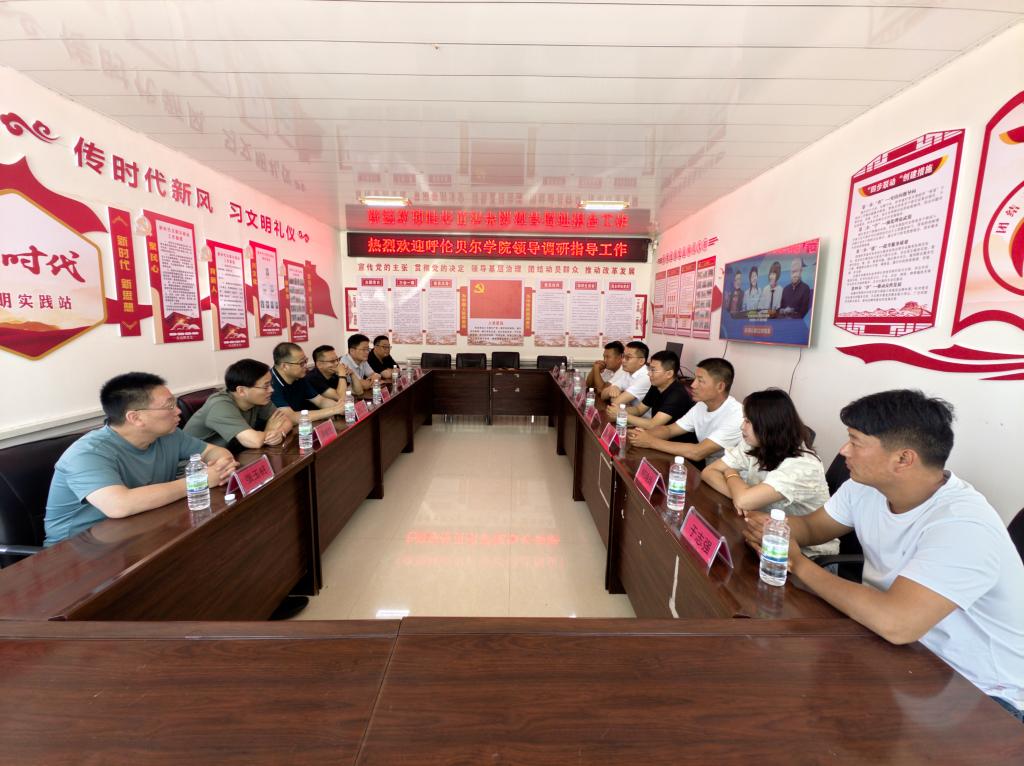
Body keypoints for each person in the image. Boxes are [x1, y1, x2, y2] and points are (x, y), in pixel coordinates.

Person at [742, 390, 1024, 722]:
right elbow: (812, 528)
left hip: (982, 690)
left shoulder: (963, 525)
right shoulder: (864, 487)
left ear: (903, 459)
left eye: (855, 442)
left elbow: (897, 624)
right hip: (900, 654)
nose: (843, 450)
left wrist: (798, 563)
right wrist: (774, 529)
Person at [43, 372, 238, 546]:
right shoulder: (87, 454)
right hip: (76, 551)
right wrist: (199, 481)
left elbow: (213, 451)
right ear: (135, 418)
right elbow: (119, 505)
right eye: (169, 405)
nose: (178, 410)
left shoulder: (169, 435)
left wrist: (221, 464)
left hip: (140, 531)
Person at [702, 389, 836, 556]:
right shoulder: (755, 444)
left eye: (748, 421)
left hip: (807, 553)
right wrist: (741, 497)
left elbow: (743, 500)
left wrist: (731, 474)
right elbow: (709, 472)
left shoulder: (803, 466)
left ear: (768, 425)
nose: (742, 426)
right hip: (764, 535)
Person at [628, 357, 742, 465]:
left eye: (700, 381)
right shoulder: (701, 405)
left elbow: (698, 452)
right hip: (709, 468)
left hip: (731, 475)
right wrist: (640, 435)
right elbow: (669, 430)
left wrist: (650, 442)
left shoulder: (737, 415)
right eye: (695, 379)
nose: (693, 385)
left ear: (720, 386)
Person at [184, 359, 293, 451]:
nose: (271, 390)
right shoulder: (220, 405)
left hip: (229, 456)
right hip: (195, 465)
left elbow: (287, 421)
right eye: (265, 386)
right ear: (241, 391)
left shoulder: (260, 399)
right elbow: (254, 441)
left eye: (271, 384)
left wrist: (279, 433)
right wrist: (269, 431)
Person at [610, 349, 693, 429]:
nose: (649, 374)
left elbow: (653, 424)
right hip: (657, 433)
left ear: (669, 374)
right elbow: (639, 410)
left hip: (671, 438)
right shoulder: (656, 386)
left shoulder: (677, 394)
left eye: (653, 370)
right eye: (649, 369)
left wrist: (621, 414)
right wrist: (617, 410)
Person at [270, 342, 345, 423]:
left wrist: (343, 407)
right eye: (301, 363)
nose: (306, 366)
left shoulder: (300, 377)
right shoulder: (270, 384)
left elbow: (320, 401)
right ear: (285, 366)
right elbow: (292, 417)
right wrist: (334, 410)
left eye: (306, 361)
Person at [606, 341, 651, 410]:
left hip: (640, 416)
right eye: (623, 356)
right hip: (625, 412)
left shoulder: (646, 377)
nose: (623, 360)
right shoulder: (627, 371)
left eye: (628, 357)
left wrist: (615, 395)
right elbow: (603, 394)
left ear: (641, 361)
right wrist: (614, 387)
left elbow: (615, 402)